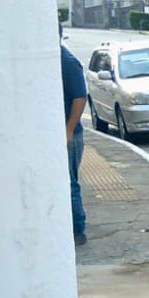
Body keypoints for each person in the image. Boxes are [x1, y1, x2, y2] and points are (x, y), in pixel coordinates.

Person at [61, 43, 87, 246]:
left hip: (69, 135)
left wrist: (68, 130)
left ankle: (78, 230)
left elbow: (80, 97)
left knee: (69, 184)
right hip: (62, 133)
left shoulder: (67, 62)